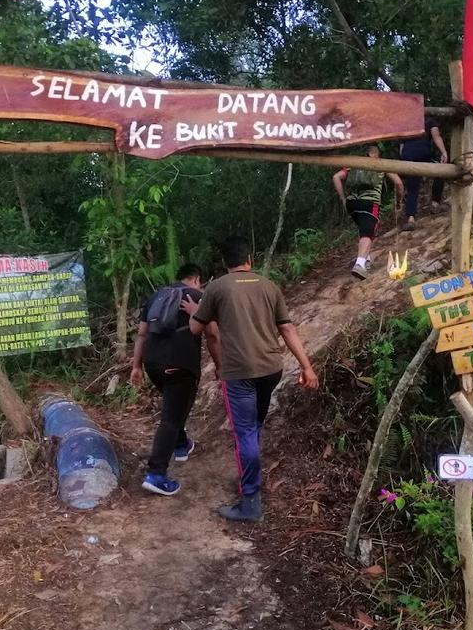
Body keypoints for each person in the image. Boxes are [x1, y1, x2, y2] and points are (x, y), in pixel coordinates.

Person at [187, 237, 319, 522]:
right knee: (255, 425)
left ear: (226, 264)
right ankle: (253, 476)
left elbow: (196, 329)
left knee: (245, 432)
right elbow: (287, 329)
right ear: (250, 260)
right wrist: (307, 367)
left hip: (239, 373)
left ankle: (250, 502)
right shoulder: (269, 286)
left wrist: (193, 313)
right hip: (272, 369)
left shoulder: (216, 288)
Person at [130, 263, 220, 497]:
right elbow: (211, 333)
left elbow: (141, 334)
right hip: (180, 363)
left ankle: (181, 444)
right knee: (171, 416)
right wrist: (220, 366)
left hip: (153, 363)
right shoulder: (198, 296)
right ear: (196, 279)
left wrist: (136, 366)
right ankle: (156, 474)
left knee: (174, 404)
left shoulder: (156, 296)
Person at [332, 145, 404, 280]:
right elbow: (399, 183)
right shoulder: (381, 164)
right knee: (367, 231)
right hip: (369, 203)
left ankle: (366, 258)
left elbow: (336, 177)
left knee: (365, 228)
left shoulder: (354, 164)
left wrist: (343, 199)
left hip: (352, 204)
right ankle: (359, 264)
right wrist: (399, 201)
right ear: (377, 154)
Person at [399, 116, 449, 229]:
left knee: (412, 188)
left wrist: (403, 161)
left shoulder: (406, 123)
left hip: (408, 156)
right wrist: (444, 152)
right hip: (423, 153)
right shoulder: (429, 120)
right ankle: (435, 203)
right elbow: (436, 136)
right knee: (441, 170)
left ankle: (411, 218)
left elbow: (401, 148)